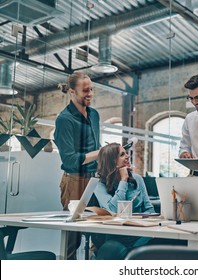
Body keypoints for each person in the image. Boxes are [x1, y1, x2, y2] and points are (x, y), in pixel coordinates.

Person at [54, 72, 100, 259]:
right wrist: (100, 153)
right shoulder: (64, 119)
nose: (89, 93)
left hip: (94, 181)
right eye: (85, 90)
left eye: (91, 89)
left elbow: (94, 148)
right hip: (74, 181)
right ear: (72, 92)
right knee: (72, 239)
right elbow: (70, 160)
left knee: (100, 231)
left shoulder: (94, 115)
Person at [92, 143, 155, 260]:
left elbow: (149, 208)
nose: (127, 156)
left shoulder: (138, 179)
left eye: (126, 153)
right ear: (112, 161)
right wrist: (123, 180)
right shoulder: (100, 185)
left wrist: (144, 221)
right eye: (122, 154)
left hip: (139, 233)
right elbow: (112, 210)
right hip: (117, 236)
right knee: (109, 250)